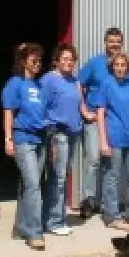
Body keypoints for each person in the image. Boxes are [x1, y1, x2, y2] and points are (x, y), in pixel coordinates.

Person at [2, 43, 47, 251]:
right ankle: (34, 232)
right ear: (23, 62)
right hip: (23, 139)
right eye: (33, 60)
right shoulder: (15, 84)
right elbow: (8, 112)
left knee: (27, 185)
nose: (37, 64)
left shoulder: (39, 85)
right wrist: (8, 139)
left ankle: (20, 227)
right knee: (33, 185)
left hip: (40, 139)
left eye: (39, 61)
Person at [78, 27, 125, 219]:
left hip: (113, 121)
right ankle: (88, 201)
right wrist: (83, 110)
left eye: (118, 41)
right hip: (94, 120)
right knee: (93, 160)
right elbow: (79, 84)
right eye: (111, 41)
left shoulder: (123, 65)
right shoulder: (95, 63)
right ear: (105, 42)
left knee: (110, 163)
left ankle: (107, 203)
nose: (114, 44)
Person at [97, 51, 129, 230]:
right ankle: (112, 216)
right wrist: (103, 141)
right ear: (112, 67)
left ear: (127, 67)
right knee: (112, 177)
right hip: (114, 137)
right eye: (116, 65)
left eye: (123, 65)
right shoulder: (106, 84)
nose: (119, 68)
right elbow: (100, 113)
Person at [40, 44, 83, 236]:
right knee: (57, 178)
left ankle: (55, 217)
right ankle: (54, 221)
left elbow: (79, 105)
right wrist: (48, 130)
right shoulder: (49, 80)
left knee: (62, 176)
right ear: (56, 60)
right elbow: (41, 107)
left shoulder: (74, 80)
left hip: (73, 133)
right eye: (65, 59)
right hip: (58, 133)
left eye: (71, 59)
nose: (69, 62)